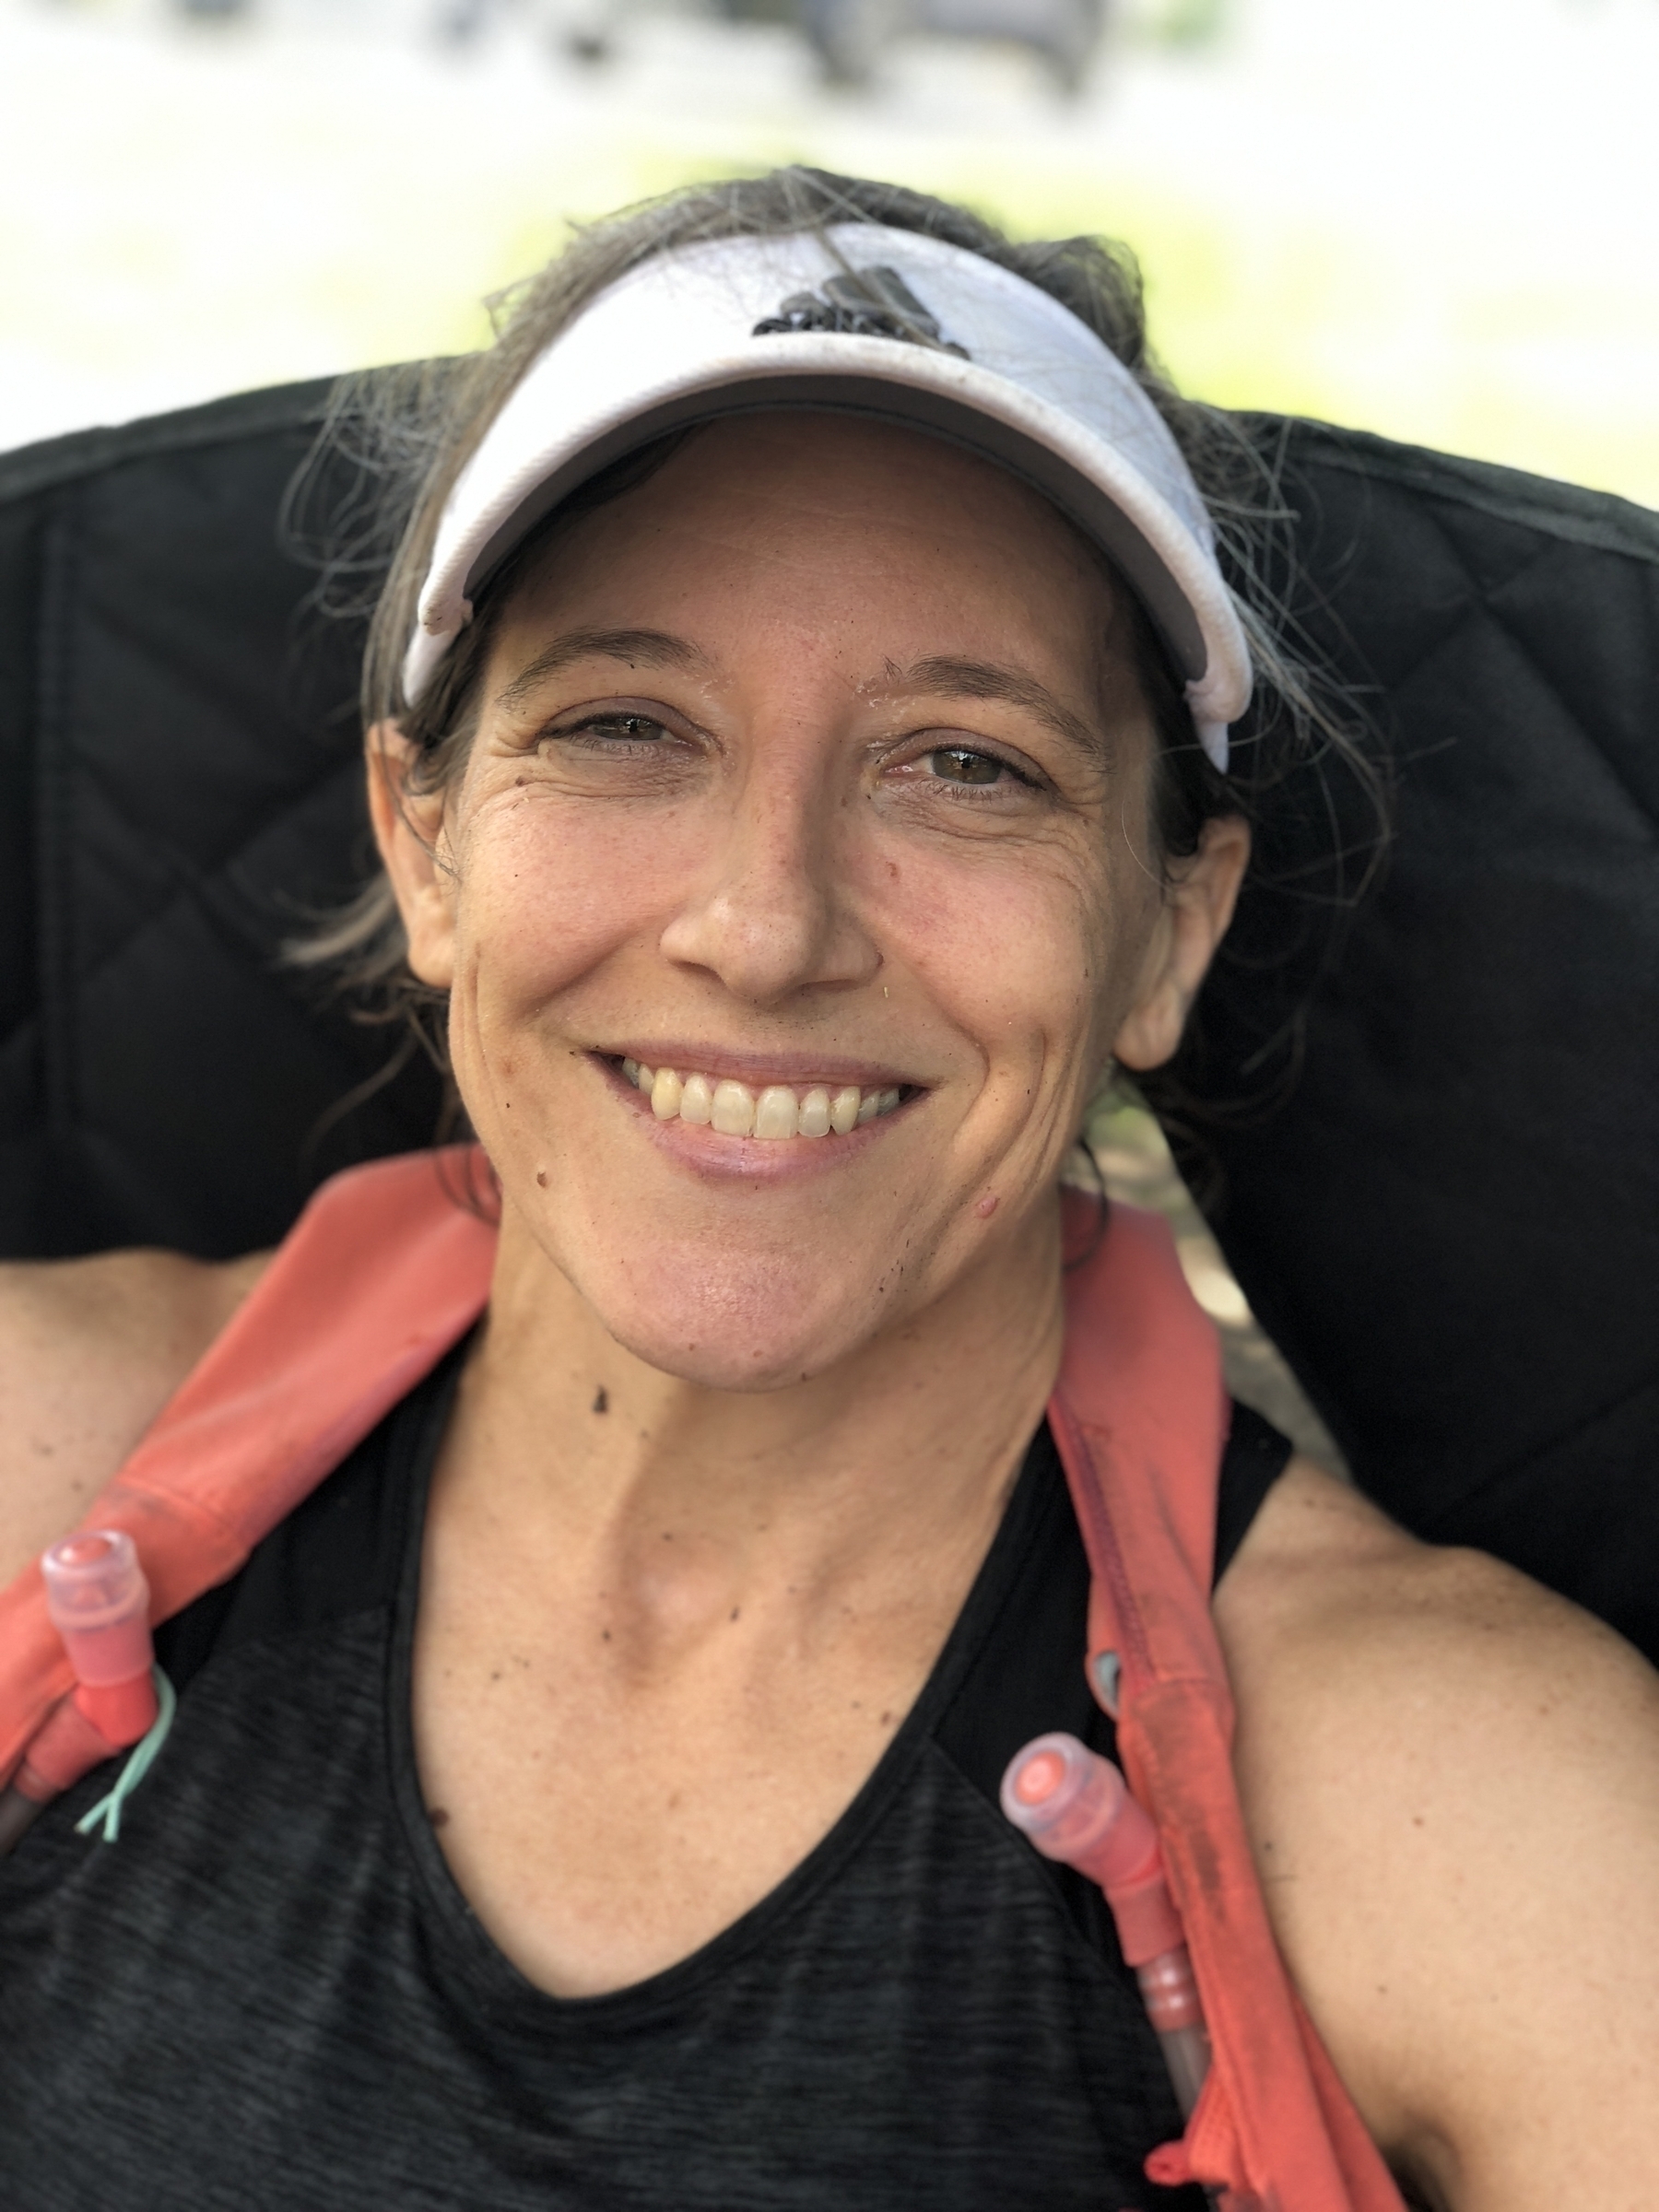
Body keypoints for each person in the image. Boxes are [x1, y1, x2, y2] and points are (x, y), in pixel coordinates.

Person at [2, 168, 1656, 2211]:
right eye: (625, 726)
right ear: (425, 847)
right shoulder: (27, 1463)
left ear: (1167, 932)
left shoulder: (1499, 1830)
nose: (768, 928)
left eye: (968, 764)